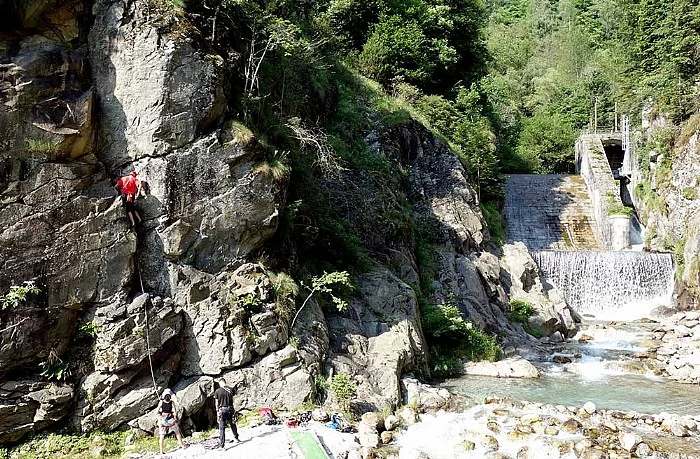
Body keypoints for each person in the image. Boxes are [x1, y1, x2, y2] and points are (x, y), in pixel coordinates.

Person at [156, 388, 187, 454]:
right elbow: (175, 412)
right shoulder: (172, 402)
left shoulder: (161, 402)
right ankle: (182, 445)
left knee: (162, 435)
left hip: (163, 421)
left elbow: (157, 411)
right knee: (177, 432)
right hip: (170, 420)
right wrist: (174, 417)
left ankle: (161, 451)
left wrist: (161, 415)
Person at [214, 379, 240, 449]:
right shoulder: (231, 389)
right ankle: (236, 437)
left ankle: (222, 445)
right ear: (225, 382)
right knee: (232, 423)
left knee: (222, 427)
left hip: (222, 410)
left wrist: (217, 412)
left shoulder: (217, 391)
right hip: (230, 408)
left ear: (220, 383)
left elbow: (216, 403)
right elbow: (233, 399)